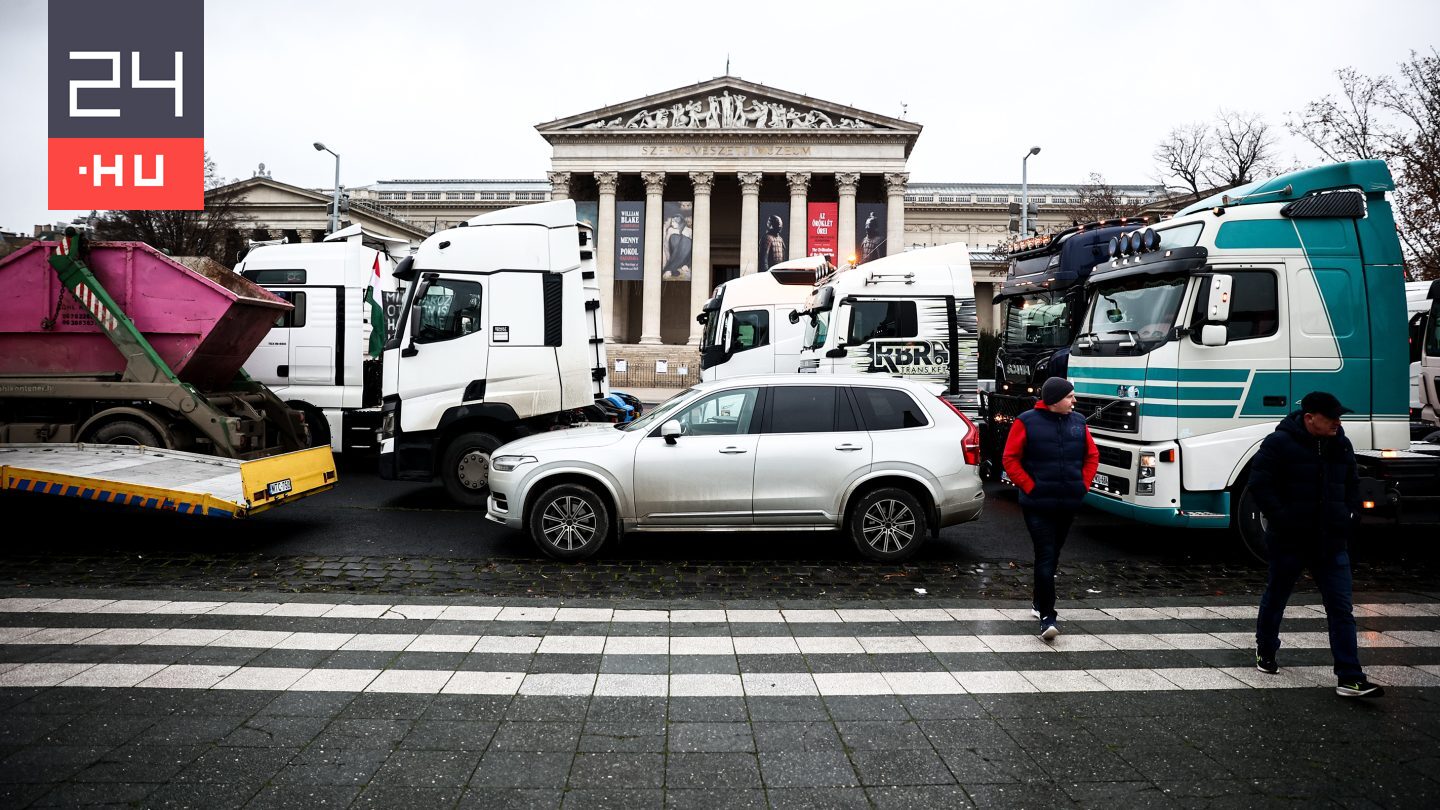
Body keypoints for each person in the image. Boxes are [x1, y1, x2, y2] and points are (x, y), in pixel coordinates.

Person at [1250, 391, 1384, 698]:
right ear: (1310, 418)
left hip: (1331, 539)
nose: (1338, 422)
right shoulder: (1279, 443)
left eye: (1339, 417)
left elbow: (1352, 483)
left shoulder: (1341, 444)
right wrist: (1283, 519)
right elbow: (1260, 484)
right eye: (1332, 417)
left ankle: (1350, 676)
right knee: (1277, 595)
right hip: (1291, 540)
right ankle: (1265, 649)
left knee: (1341, 608)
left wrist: (1349, 514)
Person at [1002, 377, 1098, 640]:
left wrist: (1083, 485)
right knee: (1045, 555)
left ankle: (1037, 602)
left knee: (1053, 555)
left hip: (1068, 501)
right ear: (1054, 400)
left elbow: (1092, 455)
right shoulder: (1026, 421)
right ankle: (1048, 617)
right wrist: (1030, 486)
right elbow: (1010, 458)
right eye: (1070, 396)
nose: (1074, 401)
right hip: (1037, 504)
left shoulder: (1078, 422)